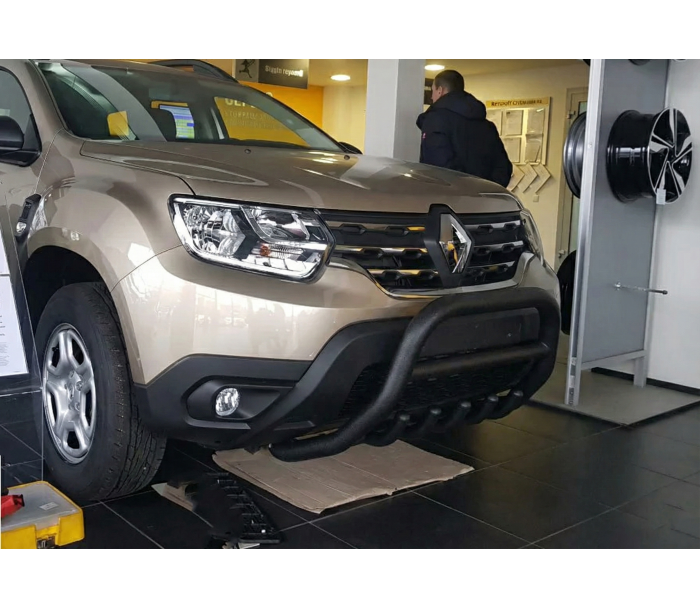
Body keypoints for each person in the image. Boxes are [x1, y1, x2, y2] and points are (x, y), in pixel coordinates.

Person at [416, 70, 513, 187]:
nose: (431, 97)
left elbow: (437, 168)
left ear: (440, 90)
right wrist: (486, 190)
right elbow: (503, 168)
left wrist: (463, 189)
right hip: (484, 196)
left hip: (448, 196)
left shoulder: (435, 120)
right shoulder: (487, 126)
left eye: (433, 91)